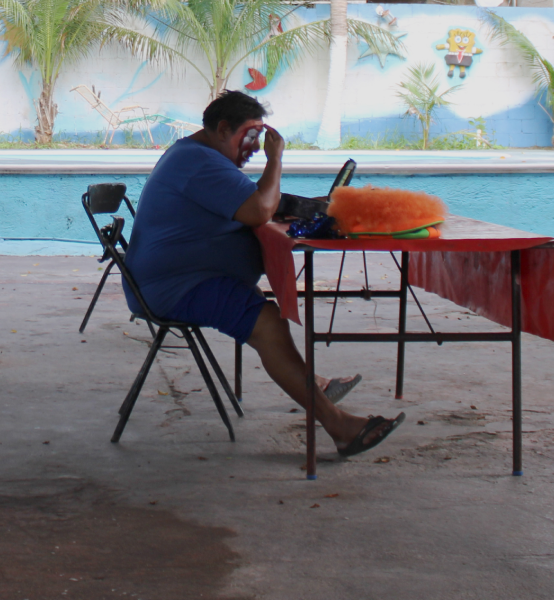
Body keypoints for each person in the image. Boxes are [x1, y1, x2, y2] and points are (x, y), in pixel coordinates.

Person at [124, 90, 401, 459]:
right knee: (268, 324)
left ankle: (313, 385)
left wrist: (302, 206)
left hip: (181, 279)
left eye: (260, 138)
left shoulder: (199, 156)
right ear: (223, 129)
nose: (255, 147)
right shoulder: (198, 162)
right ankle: (340, 427)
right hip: (173, 288)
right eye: (250, 136)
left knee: (263, 314)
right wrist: (276, 159)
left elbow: (261, 201)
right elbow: (258, 210)